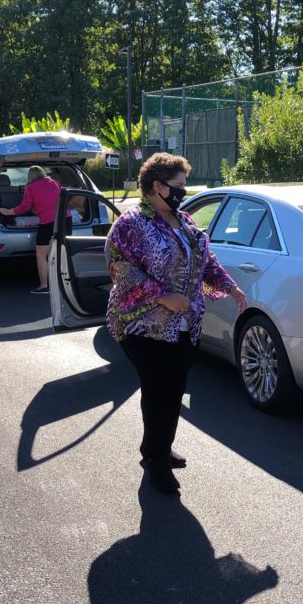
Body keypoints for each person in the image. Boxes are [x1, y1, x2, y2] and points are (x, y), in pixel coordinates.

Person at [105, 152, 247, 493]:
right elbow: (119, 267)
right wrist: (161, 296)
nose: (184, 191)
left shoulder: (183, 220)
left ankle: (157, 447)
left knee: (167, 390)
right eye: (179, 185)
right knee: (163, 391)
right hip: (142, 326)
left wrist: (229, 286)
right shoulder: (131, 224)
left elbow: (206, 259)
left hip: (184, 324)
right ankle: (156, 460)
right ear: (157, 186)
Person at [0, 165, 60, 293]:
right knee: (59, 253)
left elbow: (25, 207)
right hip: (65, 221)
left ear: (30, 176)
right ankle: (60, 284)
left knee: (42, 255)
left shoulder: (30, 187)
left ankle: (44, 286)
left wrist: (8, 211)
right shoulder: (54, 183)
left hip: (48, 223)